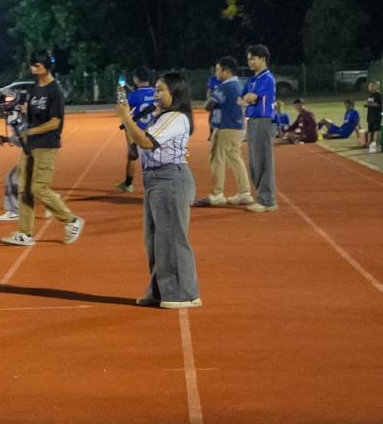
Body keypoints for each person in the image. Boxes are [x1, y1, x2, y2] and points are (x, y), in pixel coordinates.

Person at [116, 72, 201, 308]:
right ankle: (160, 290)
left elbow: (147, 142)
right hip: (154, 180)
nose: (156, 94)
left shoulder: (177, 117)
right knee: (154, 240)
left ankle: (183, 293)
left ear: (176, 92)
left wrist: (127, 117)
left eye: (161, 89)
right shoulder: (158, 118)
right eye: (156, 89)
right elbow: (136, 148)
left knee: (171, 238)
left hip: (170, 179)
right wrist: (129, 125)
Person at [2, 52, 83, 246]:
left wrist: (30, 131)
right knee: (24, 190)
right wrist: (12, 113)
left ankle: (71, 221)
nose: (33, 68)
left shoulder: (55, 90)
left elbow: (55, 122)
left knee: (39, 188)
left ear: (46, 67)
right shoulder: (34, 88)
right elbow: (29, 114)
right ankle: (25, 233)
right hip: (29, 145)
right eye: (32, 65)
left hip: (46, 144)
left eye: (37, 65)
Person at [198, 57, 252, 207]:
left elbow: (208, 105)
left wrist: (211, 96)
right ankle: (244, 192)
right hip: (238, 127)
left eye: (218, 70)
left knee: (217, 159)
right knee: (235, 158)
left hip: (225, 127)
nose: (216, 73)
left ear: (226, 71)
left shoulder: (225, 87)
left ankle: (217, 194)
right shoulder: (238, 85)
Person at [239, 45, 279, 211]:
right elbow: (241, 98)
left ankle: (267, 200)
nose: (249, 62)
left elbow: (250, 97)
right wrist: (248, 99)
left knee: (263, 161)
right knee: (255, 162)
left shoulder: (267, 78)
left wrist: (249, 99)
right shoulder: (252, 79)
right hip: (253, 121)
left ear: (262, 59)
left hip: (263, 121)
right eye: (248, 59)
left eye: (252, 58)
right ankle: (263, 197)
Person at [0, 89, 29, 223]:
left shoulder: (13, 117)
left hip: (32, 151)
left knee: (12, 178)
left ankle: (14, 211)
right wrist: (6, 139)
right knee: (33, 183)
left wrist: (7, 139)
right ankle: (52, 201)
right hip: (35, 148)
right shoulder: (15, 114)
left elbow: (22, 139)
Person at [116, 67, 157, 192]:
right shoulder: (156, 92)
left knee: (133, 155)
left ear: (136, 79)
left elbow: (122, 104)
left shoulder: (134, 95)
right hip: (156, 130)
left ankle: (129, 184)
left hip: (138, 130)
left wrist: (120, 89)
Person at [365, 81, 382, 152]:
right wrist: (368, 104)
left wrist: (369, 104)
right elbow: (370, 103)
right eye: (369, 86)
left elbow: (378, 104)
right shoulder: (371, 95)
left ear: (376, 87)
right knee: (370, 130)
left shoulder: (378, 95)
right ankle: (369, 143)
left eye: (372, 86)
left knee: (376, 130)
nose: (370, 87)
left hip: (376, 115)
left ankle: (376, 144)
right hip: (370, 115)